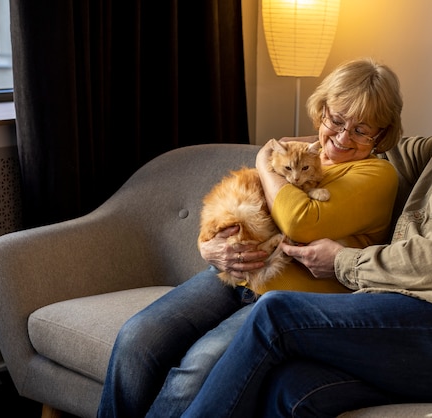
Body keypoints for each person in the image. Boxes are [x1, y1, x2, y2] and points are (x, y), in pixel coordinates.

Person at [182, 20, 432, 418]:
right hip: (418, 319)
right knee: (292, 389)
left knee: (277, 314)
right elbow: (373, 150)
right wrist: (275, 157)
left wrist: (340, 262)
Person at [97, 57, 404, 418]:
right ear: (322, 111)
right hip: (234, 276)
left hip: (286, 300)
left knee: (196, 368)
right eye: (336, 120)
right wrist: (207, 246)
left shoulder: (377, 174)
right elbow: (238, 201)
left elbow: (298, 221)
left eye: (361, 130)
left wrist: (262, 159)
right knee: (137, 337)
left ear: (381, 134)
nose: (341, 137)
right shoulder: (305, 154)